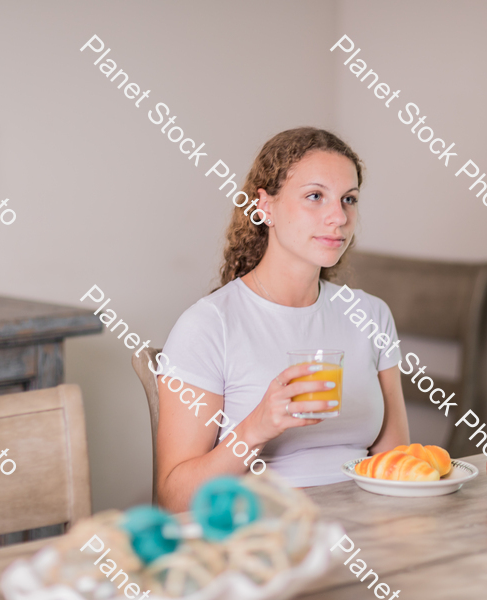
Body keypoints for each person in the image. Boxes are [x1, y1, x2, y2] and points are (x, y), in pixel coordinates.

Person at [156, 127, 409, 510]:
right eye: (315, 196)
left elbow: (397, 464)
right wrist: (256, 427)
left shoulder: (371, 315)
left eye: (349, 199)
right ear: (266, 207)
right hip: (263, 536)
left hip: (365, 529)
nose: (338, 217)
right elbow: (174, 499)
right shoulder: (208, 326)